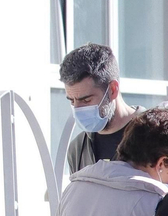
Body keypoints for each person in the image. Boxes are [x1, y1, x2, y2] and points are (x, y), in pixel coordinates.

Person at [60, 44, 140, 174]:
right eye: (72, 101)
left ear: (113, 90)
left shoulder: (157, 135)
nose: (77, 109)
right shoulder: (78, 148)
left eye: (86, 100)